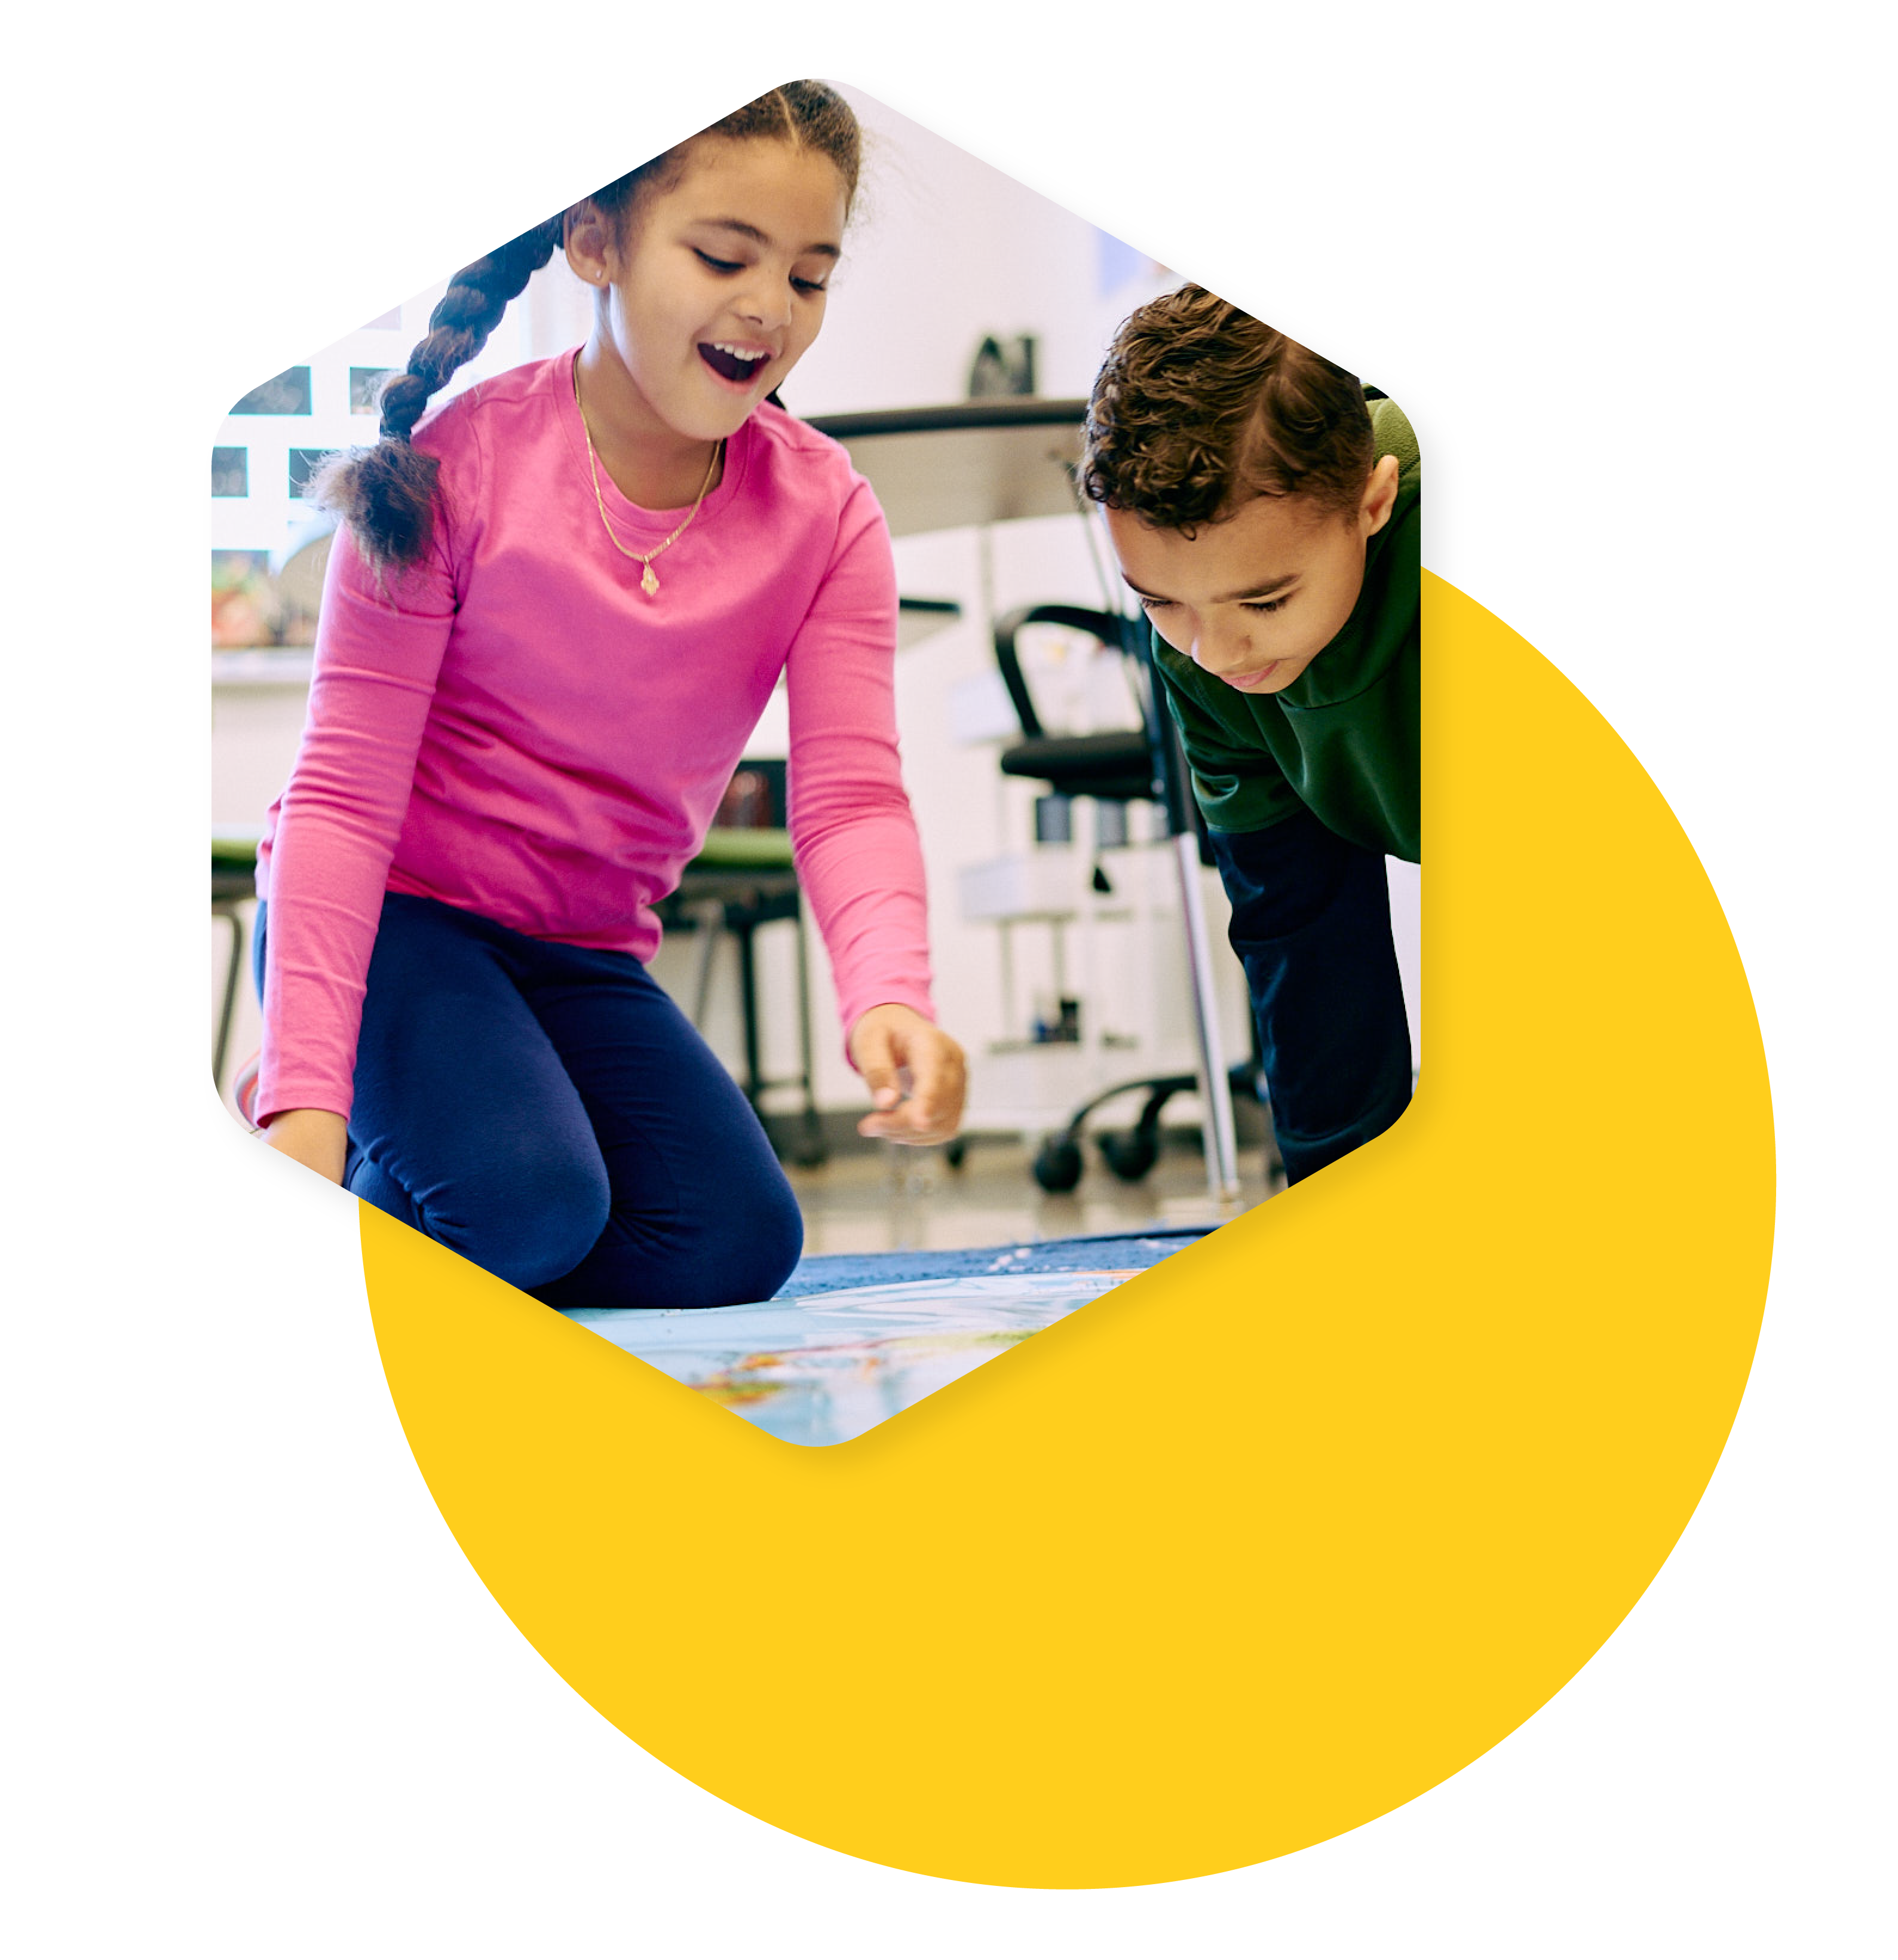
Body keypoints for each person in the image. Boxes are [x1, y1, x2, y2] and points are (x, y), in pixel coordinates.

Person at [252, 79, 966, 1307]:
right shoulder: (449, 471)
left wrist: (891, 991)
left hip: (583, 951)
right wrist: (303, 1100)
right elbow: (340, 801)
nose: (767, 308)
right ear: (595, 240)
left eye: (807, 277)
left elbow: (848, 794)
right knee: (533, 1201)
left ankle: (471, 1227)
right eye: (722, 255)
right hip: (403, 929)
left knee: (737, 1241)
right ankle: (403, 1189)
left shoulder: (829, 512)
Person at [1080, 286, 1418, 1185]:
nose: (1217, 650)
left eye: (1266, 601)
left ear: (1373, 503)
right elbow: (1298, 922)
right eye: (1159, 601)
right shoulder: (1202, 652)